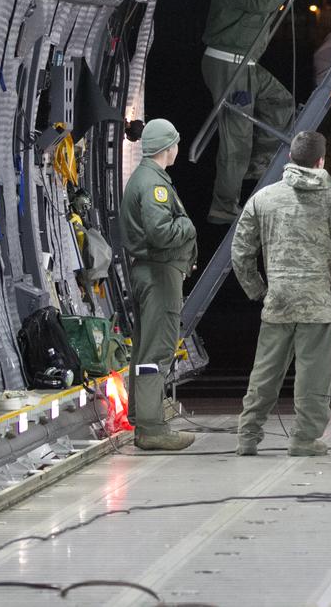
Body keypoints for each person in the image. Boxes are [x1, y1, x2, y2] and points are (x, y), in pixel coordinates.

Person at [233, 131, 331, 456]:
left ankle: (248, 437)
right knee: (314, 375)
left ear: (289, 158)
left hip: (278, 302)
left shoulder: (262, 200)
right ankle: (304, 440)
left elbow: (240, 252)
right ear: (321, 161)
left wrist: (257, 289)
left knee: (265, 371)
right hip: (321, 306)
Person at [201, 0, 309, 224]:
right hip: (228, 66)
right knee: (237, 138)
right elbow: (261, 1)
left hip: (244, 65)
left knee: (281, 101)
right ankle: (223, 206)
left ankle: (254, 166)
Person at [118, 118, 197, 451]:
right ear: (168, 147)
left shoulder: (147, 178)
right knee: (158, 350)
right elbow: (161, 232)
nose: (178, 148)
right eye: (176, 142)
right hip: (159, 275)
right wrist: (188, 228)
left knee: (144, 349)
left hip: (148, 272)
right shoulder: (154, 185)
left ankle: (143, 418)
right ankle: (152, 429)